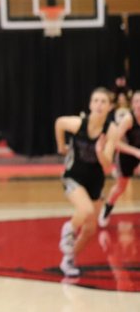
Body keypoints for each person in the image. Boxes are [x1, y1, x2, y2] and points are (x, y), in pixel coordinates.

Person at [55, 87, 124, 277]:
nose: (99, 105)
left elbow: (107, 163)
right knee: (84, 211)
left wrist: (100, 151)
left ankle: (68, 260)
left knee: (90, 229)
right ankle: (68, 230)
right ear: (90, 104)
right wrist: (61, 146)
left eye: (103, 102)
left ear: (110, 107)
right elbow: (59, 123)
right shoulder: (79, 124)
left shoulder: (111, 130)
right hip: (73, 176)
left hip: (95, 180)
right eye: (96, 101)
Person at [99, 91, 140, 227]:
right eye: (136, 101)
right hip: (126, 155)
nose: (139, 104)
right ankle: (107, 208)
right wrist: (135, 152)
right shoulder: (128, 120)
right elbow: (115, 142)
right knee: (120, 187)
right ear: (132, 104)